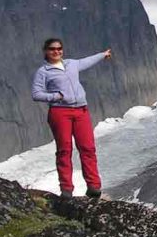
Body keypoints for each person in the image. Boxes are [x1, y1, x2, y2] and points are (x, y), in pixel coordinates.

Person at [31, 37, 112, 198]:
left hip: (81, 111)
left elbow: (87, 61)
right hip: (60, 112)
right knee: (64, 149)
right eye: (52, 49)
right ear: (46, 51)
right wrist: (56, 96)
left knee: (88, 148)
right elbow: (36, 94)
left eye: (59, 48)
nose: (56, 51)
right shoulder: (43, 72)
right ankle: (66, 189)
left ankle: (94, 187)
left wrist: (103, 55)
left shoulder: (71, 64)